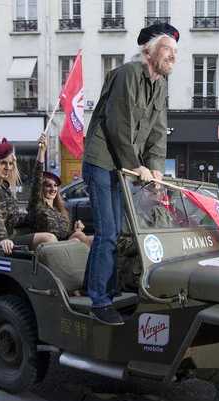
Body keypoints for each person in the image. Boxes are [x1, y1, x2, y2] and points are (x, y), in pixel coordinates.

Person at [81, 22, 178, 325]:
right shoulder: (127, 74)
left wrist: (157, 171)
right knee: (108, 232)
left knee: (118, 232)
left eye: (176, 51)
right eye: (168, 49)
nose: (174, 56)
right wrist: (137, 166)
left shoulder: (160, 84)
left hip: (124, 164)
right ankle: (100, 301)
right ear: (149, 51)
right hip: (102, 160)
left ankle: (95, 285)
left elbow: (158, 132)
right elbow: (118, 124)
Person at [0, 138, 56, 254]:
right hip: (0, 241)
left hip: (11, 233)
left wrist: (41, 152)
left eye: (11, 163)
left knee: (48, 229)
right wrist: (3, 238)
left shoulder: (1, 184)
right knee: (48, 239)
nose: (8, 167)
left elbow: (35, 184)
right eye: (3, 163)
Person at [28, 134, 93, 248]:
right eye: (48, 185)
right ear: (41, 188)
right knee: (80, 237)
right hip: (47, 249)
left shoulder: (61, 210)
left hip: (62, 248)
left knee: (89, 238)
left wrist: (76, 230)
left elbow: (66, 236)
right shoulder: (37, 206)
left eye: (56, 185)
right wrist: (42, 151)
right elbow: (36, 179)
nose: (53, 189)